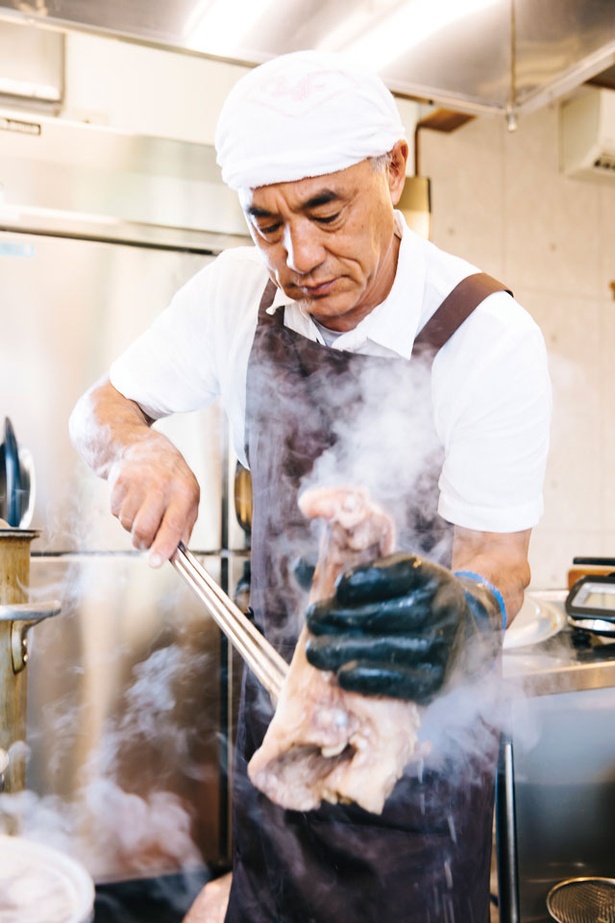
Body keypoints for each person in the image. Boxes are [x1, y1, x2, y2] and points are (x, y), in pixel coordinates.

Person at [69, 50, 551, 923]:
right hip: (278, 756)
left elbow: (500, 564)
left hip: (421, 782)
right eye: (266, 223)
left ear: (393, 168)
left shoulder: (486, 336)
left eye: (325, 210)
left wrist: (465, 608)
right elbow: (99, 407)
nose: (298, 254)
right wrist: (131, 448)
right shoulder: (232, 296)